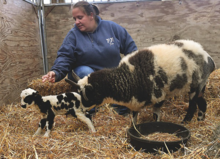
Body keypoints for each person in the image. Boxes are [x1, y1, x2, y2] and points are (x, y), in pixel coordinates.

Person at [42, 1, 137, 115]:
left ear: (91, 15)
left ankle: (117, 113)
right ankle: (90, 111)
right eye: (75, 19)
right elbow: (65, 56)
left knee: (120, 100)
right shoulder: (73, 35)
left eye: (80, 17)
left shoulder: (112, 28)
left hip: (111, 74)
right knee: (86, 73)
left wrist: (136, 70)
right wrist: (56, 71)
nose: (77, 22)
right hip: (86, 74)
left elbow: (131, 50)